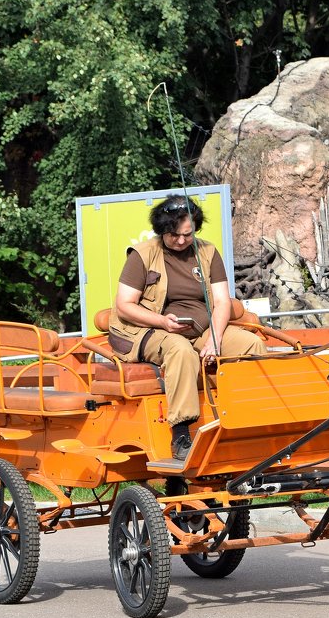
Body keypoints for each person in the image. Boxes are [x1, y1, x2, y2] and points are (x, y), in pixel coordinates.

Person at [108, 196, 267, 460]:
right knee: (181, 351)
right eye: (174, 235)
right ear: (162, 230)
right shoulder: (143, 254)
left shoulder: (207, 252)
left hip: (202, 328)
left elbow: (221, 301)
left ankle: (249, 420)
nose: (181, 241)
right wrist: (163, 322)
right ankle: (181, 434)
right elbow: (124, 305)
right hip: (151, 329)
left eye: (188, 234)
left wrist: (214, 340)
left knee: (252, 344)